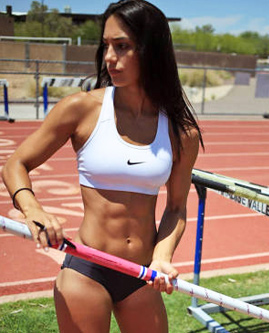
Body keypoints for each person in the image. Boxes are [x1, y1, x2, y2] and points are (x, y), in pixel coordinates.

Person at [1, 0, 202, 331]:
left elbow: (177, 208)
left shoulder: (181, 131)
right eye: (106, 46)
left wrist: (162, 257)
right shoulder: (82, 108)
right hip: (86, 268)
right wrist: (32, 210)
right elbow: (15, 164)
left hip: (140, 275)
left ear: (151, 49)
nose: (109, 57)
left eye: (122, 47)